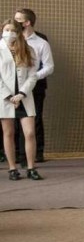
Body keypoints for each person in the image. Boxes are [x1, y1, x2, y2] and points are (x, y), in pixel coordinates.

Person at [1, 19, 42, 180]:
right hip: (5, 98)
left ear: (19, 33)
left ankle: (31, 168)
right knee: (9, 133)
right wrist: (9, 96)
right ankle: (12, 168)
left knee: (30, 133)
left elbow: (33, 75)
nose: (10, 33)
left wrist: (22, 94)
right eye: (7, 30)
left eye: (13, 30)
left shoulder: (28, 49)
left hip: (24, 97)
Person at [13, 8, 52, 165]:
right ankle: (17, 154)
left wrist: (33, 77)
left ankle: (36, 153)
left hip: (36, 87)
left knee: (34, 120)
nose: (15, 22)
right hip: (13, 87)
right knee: (13, 121)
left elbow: (49, 67)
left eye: (18, 20)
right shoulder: (10, 41)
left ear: (27, 22)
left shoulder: (41, 42)